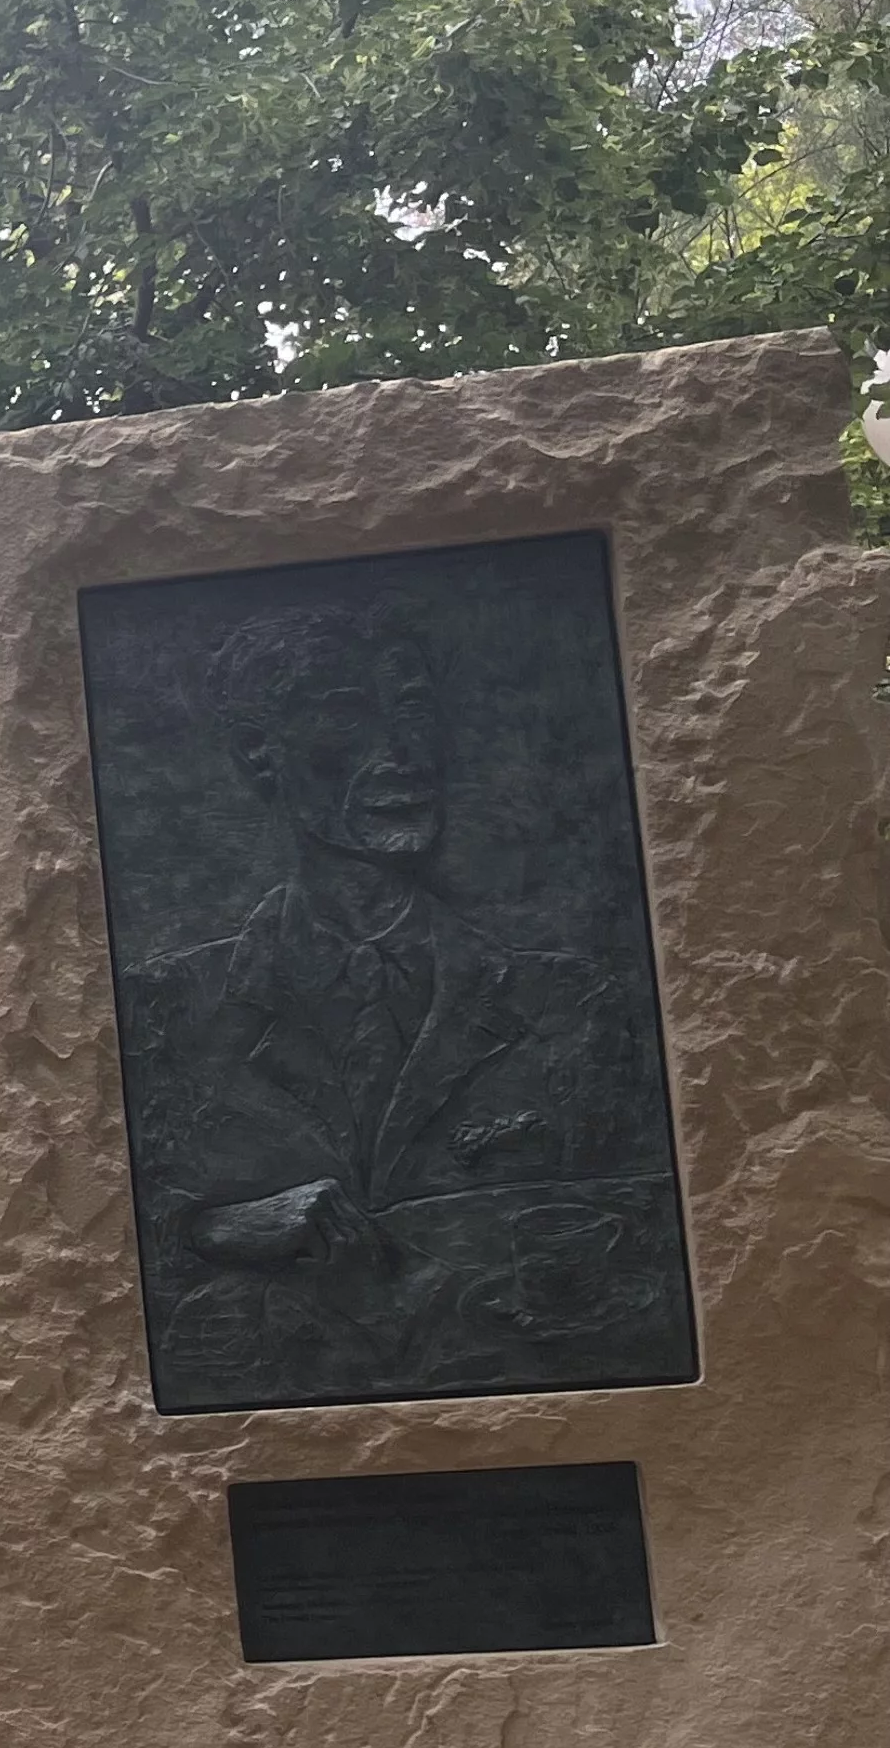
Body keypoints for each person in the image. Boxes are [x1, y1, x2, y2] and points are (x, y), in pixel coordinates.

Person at [116, 600, 684, 1408]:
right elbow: (95, 1248)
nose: (401, 753)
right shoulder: (167, 1011)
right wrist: (217, 1228)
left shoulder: (572, 1005)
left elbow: (647, 1239)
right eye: (346, 713)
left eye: (413, 711)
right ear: (258, 751)